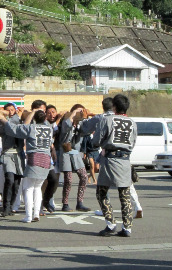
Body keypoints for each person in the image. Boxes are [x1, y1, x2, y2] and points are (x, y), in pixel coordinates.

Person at [0, 108, 53, 223]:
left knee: (28, 188)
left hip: (34, 158)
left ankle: (28, 216)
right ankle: (36, 213)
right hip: (46, 159)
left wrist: (3, 120)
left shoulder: (32, 128)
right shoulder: (49, 128)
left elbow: (15, 129)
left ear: (34, 119)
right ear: (45, 118)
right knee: (37, 188)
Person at [93, 94, 137, 237]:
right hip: (125, 160)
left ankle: (111, 223)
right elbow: (133, 142)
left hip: (110, 159)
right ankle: (127, 227)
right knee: (124, 194)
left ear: (114, 107)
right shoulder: (132, 122)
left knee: (101, 191)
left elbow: (96, 140)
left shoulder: (107, 120)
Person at [59, 104, 90, 212]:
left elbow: (87, 131)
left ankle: (80, 202)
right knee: (68, 179)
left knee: (84, 177)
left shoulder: (81, 124)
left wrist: (86, 117)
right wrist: (72, 114)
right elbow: (65, 128)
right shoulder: (66, 121)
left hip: (76, 153)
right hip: (65, 152)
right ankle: (65, 203)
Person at [0, 103, 25, 217]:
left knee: (17, 182)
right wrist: (4, 118)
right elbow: (6, 129)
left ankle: (12, 205)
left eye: (12, 110)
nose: (10, 112)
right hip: (8, 153)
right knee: (9, 179)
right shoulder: (2, 122)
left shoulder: (19, 120)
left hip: (18, 154)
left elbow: (16, 127)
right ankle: (6, 206)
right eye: (7, 110)